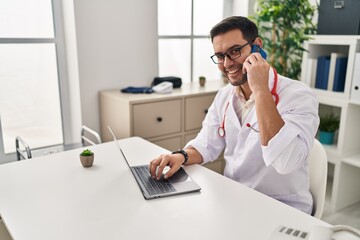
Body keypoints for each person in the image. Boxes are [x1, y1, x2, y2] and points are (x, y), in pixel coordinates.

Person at [149, 16, 319, 214]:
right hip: (235, 200)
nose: (227, 63)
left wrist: (261, 90)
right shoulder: (225, 96)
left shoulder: (299, 95)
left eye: (235, 51)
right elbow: (208, 143)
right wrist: (181, 155)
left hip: (282, 209)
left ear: (257, 47)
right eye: (220, 56)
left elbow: (284, 162)